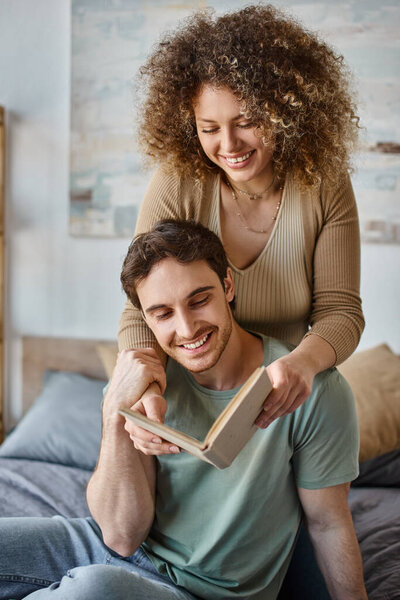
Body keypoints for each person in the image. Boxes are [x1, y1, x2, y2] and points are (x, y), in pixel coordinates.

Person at [0, 220, 367, 600]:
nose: (187, 328)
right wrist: (115, 412)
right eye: (162, 313)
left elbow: (327, 524)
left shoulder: (305, 387)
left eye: (199, 300)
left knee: (91, 590)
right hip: (105, 549)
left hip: (198, 591)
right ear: (145, 319)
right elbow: (121, 537)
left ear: (227, 285)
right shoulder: (140, 383)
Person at [119, 4, 365, 431]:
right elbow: (140, 307)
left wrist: (302, 366)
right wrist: (148, 386)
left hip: (286, 403)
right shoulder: (176, 183)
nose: (228, 144)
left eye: (247, 121)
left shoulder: (324, 184)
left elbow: (340, 311)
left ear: (285, 113)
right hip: (188, 398)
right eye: (208, 128)